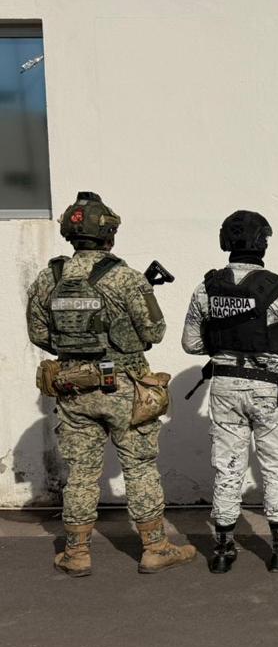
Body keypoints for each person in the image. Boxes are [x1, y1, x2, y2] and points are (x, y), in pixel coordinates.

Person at [26, 191, 196, 576]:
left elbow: (39, 334)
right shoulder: (126, 278)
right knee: (139, 467)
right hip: (125, 389)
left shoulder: (48, 278)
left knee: (81, 474)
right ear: (109, 235)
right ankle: (155, 548)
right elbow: (154, 332)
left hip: (72, 388)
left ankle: (76, 553)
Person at [182, 211, 278, 573]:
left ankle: (223, 551)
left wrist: (226, 344)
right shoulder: (277, 289)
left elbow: (191, 344)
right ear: (262, 242)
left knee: (227, 467)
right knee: (275, 466)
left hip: (225, 388)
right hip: (269, 389)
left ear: (225, 242)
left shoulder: (206, 288)